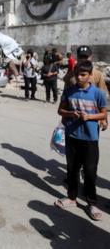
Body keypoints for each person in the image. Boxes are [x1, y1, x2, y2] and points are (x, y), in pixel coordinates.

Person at [55, 61, 107, 221]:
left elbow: (104, 114)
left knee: (90, 172)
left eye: (83, 75)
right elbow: (60, 110)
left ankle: (91, 203)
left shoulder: (98, 93)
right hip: (72, 137)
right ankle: (71, 198)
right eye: (77, 74)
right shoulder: (69, 91)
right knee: (72, 169)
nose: (79, 77)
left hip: (90, 139)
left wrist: (90, 116)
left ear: (90, 75)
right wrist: (71, 114)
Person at [63, 45, 108, 130]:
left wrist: (103, 119)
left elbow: (103, 97)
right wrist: (65, 115)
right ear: (77, 57)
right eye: (81, 57)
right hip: (72, 119)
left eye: (86, 57)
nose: (83, 59)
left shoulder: (98, 75)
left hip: (91, 119)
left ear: (91, 57)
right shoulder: (72, 75)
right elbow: (65, 97)